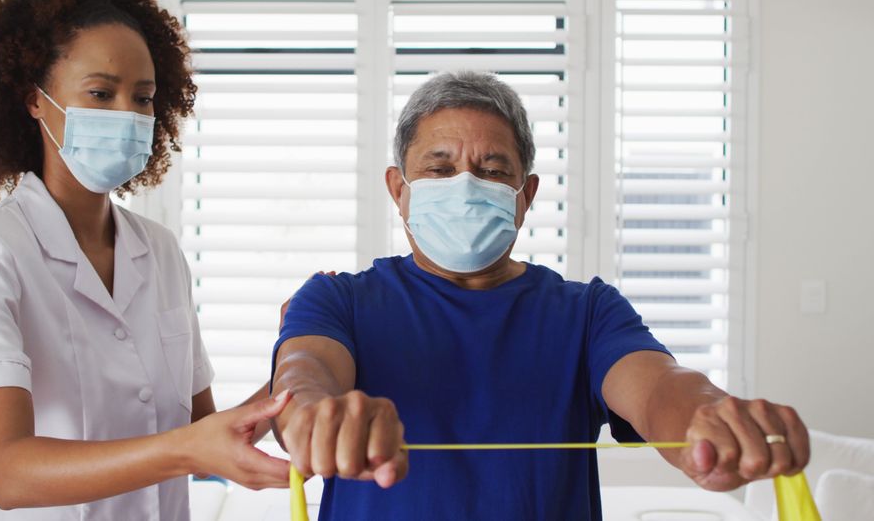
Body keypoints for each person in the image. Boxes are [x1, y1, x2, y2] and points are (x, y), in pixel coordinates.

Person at [270, 71, 811, 519]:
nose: (464, 186)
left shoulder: (588, 312)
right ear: (398, 189)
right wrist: (314, 417)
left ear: (524, 195)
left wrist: (708, 422)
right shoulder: (337, 300)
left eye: (492, 171)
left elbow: (660, 389)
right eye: (439, 168)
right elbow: (302, 375)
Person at [0, 0, 290, 520]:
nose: (127, 114)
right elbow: (6, 471)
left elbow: (204, 442)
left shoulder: (162, 252)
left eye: (143, 98)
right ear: (35, 100)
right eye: (101, 93)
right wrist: (184, 450)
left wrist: (290, 362)